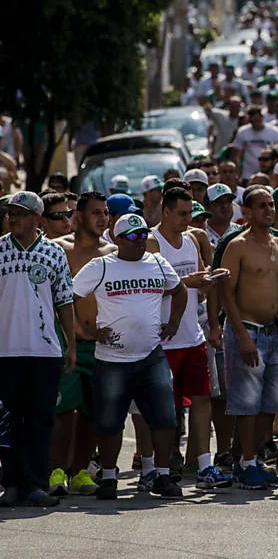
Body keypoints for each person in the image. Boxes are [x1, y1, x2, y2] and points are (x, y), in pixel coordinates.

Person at [72, 213, 187, 500]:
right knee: (110, 421)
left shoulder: (158, 263)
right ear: (118, 239)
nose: (140, 241)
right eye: (133, 236)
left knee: (165, 418)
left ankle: (162, 474)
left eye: (143, 235)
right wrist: (84, 332)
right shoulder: (101, 266)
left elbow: (180, 291)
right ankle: (109, 477)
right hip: (112, 359)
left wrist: (173, 323)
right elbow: (67, 296)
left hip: (151, 356)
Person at [218, 186, 278, 490]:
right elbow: (226, 293)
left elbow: (277, 293)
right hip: (247, 331)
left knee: (270, 403)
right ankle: (246, 462)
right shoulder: (236, 246)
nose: (268, 209)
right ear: (248, 212)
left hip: (271, 333)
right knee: (247, 404)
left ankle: (258, 461)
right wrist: (242, 336)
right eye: (261, 205)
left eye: (271, 204)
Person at [151, 187, 231, 490]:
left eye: (190, 213)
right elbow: (150, 284)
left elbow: (203, 285)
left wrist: (213, 322)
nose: (188, 219)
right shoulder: (151, 241)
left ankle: (204, 466)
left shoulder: (194, 239)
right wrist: (189, 281)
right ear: (166, 211)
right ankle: (160, 465)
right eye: (182, 214)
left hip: (191, 336)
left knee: (202, 400)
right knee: (164, 408)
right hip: (162, 338)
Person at [0, 192, 76, 507]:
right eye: (10, 213)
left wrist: (70, 344)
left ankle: (35, 483)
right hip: (5, 351)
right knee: (7, 420)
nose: (12, 218)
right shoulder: (0, 249)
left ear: (36, 218)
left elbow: (64, 300)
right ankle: (12, 483)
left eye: (19, 213)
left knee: (40, 419)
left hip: (44, 352)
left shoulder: (54, 253)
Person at [48, 192, 114, 498]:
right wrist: (74, 334)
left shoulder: (112, 252)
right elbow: (57, 298)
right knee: (64, 411)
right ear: (79, 217)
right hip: (66, 343)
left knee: (93, 412)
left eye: (105, 213)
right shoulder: (59, 250)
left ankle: (79, 471)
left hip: (102, 346)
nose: (102, 218)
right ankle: (55, 471)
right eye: (96, 213)